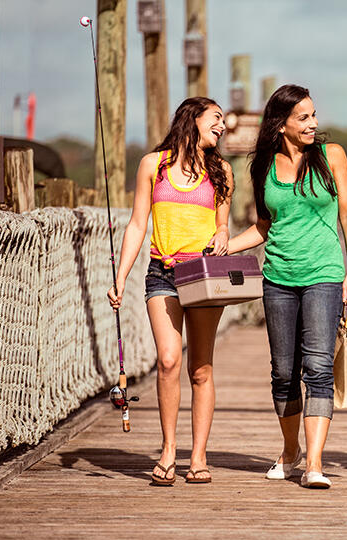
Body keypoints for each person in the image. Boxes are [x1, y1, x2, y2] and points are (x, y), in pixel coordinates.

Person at [227, 84, 347, 489]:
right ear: (281, 123)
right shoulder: (262, 165)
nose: (313, 123)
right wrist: (222, 249)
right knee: (284, 372)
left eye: (314, 115)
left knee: (318, 368)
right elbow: (264, 226)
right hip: (278, 279)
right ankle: (290, 450)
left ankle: (314, 463)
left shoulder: (330, 156)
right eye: (303, 117)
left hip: (324, 275)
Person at [107, 97, 233, 486]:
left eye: (224, 121)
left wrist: (224, 235)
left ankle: (198, 456)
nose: (222, 126)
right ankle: (167, 451)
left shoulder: (223, 171)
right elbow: (136, 225)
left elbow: (223, 226)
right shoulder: (153, 165)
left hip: (205, 276)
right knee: (167, 360)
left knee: (201, 367)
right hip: (161, 272)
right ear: (192, 120)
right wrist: (120, 276)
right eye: (216, 119)